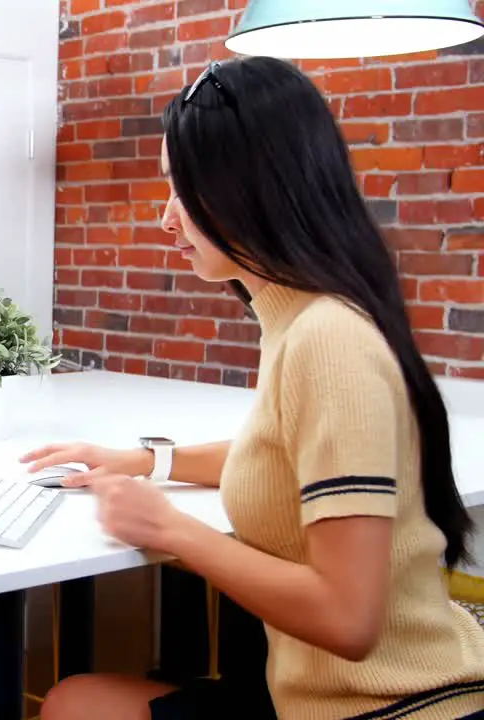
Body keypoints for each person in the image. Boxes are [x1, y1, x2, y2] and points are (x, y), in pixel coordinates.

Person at [25, 57, 484, 720]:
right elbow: (277, 454)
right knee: (78, 698)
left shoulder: (326, 339)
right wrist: (149, 461)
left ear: (245, 185)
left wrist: (173, 530)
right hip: (338, 692)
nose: (166, 218)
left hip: (392, 705)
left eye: (181, 190)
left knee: (75, 705)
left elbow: (348, 620)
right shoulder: (306, 316)